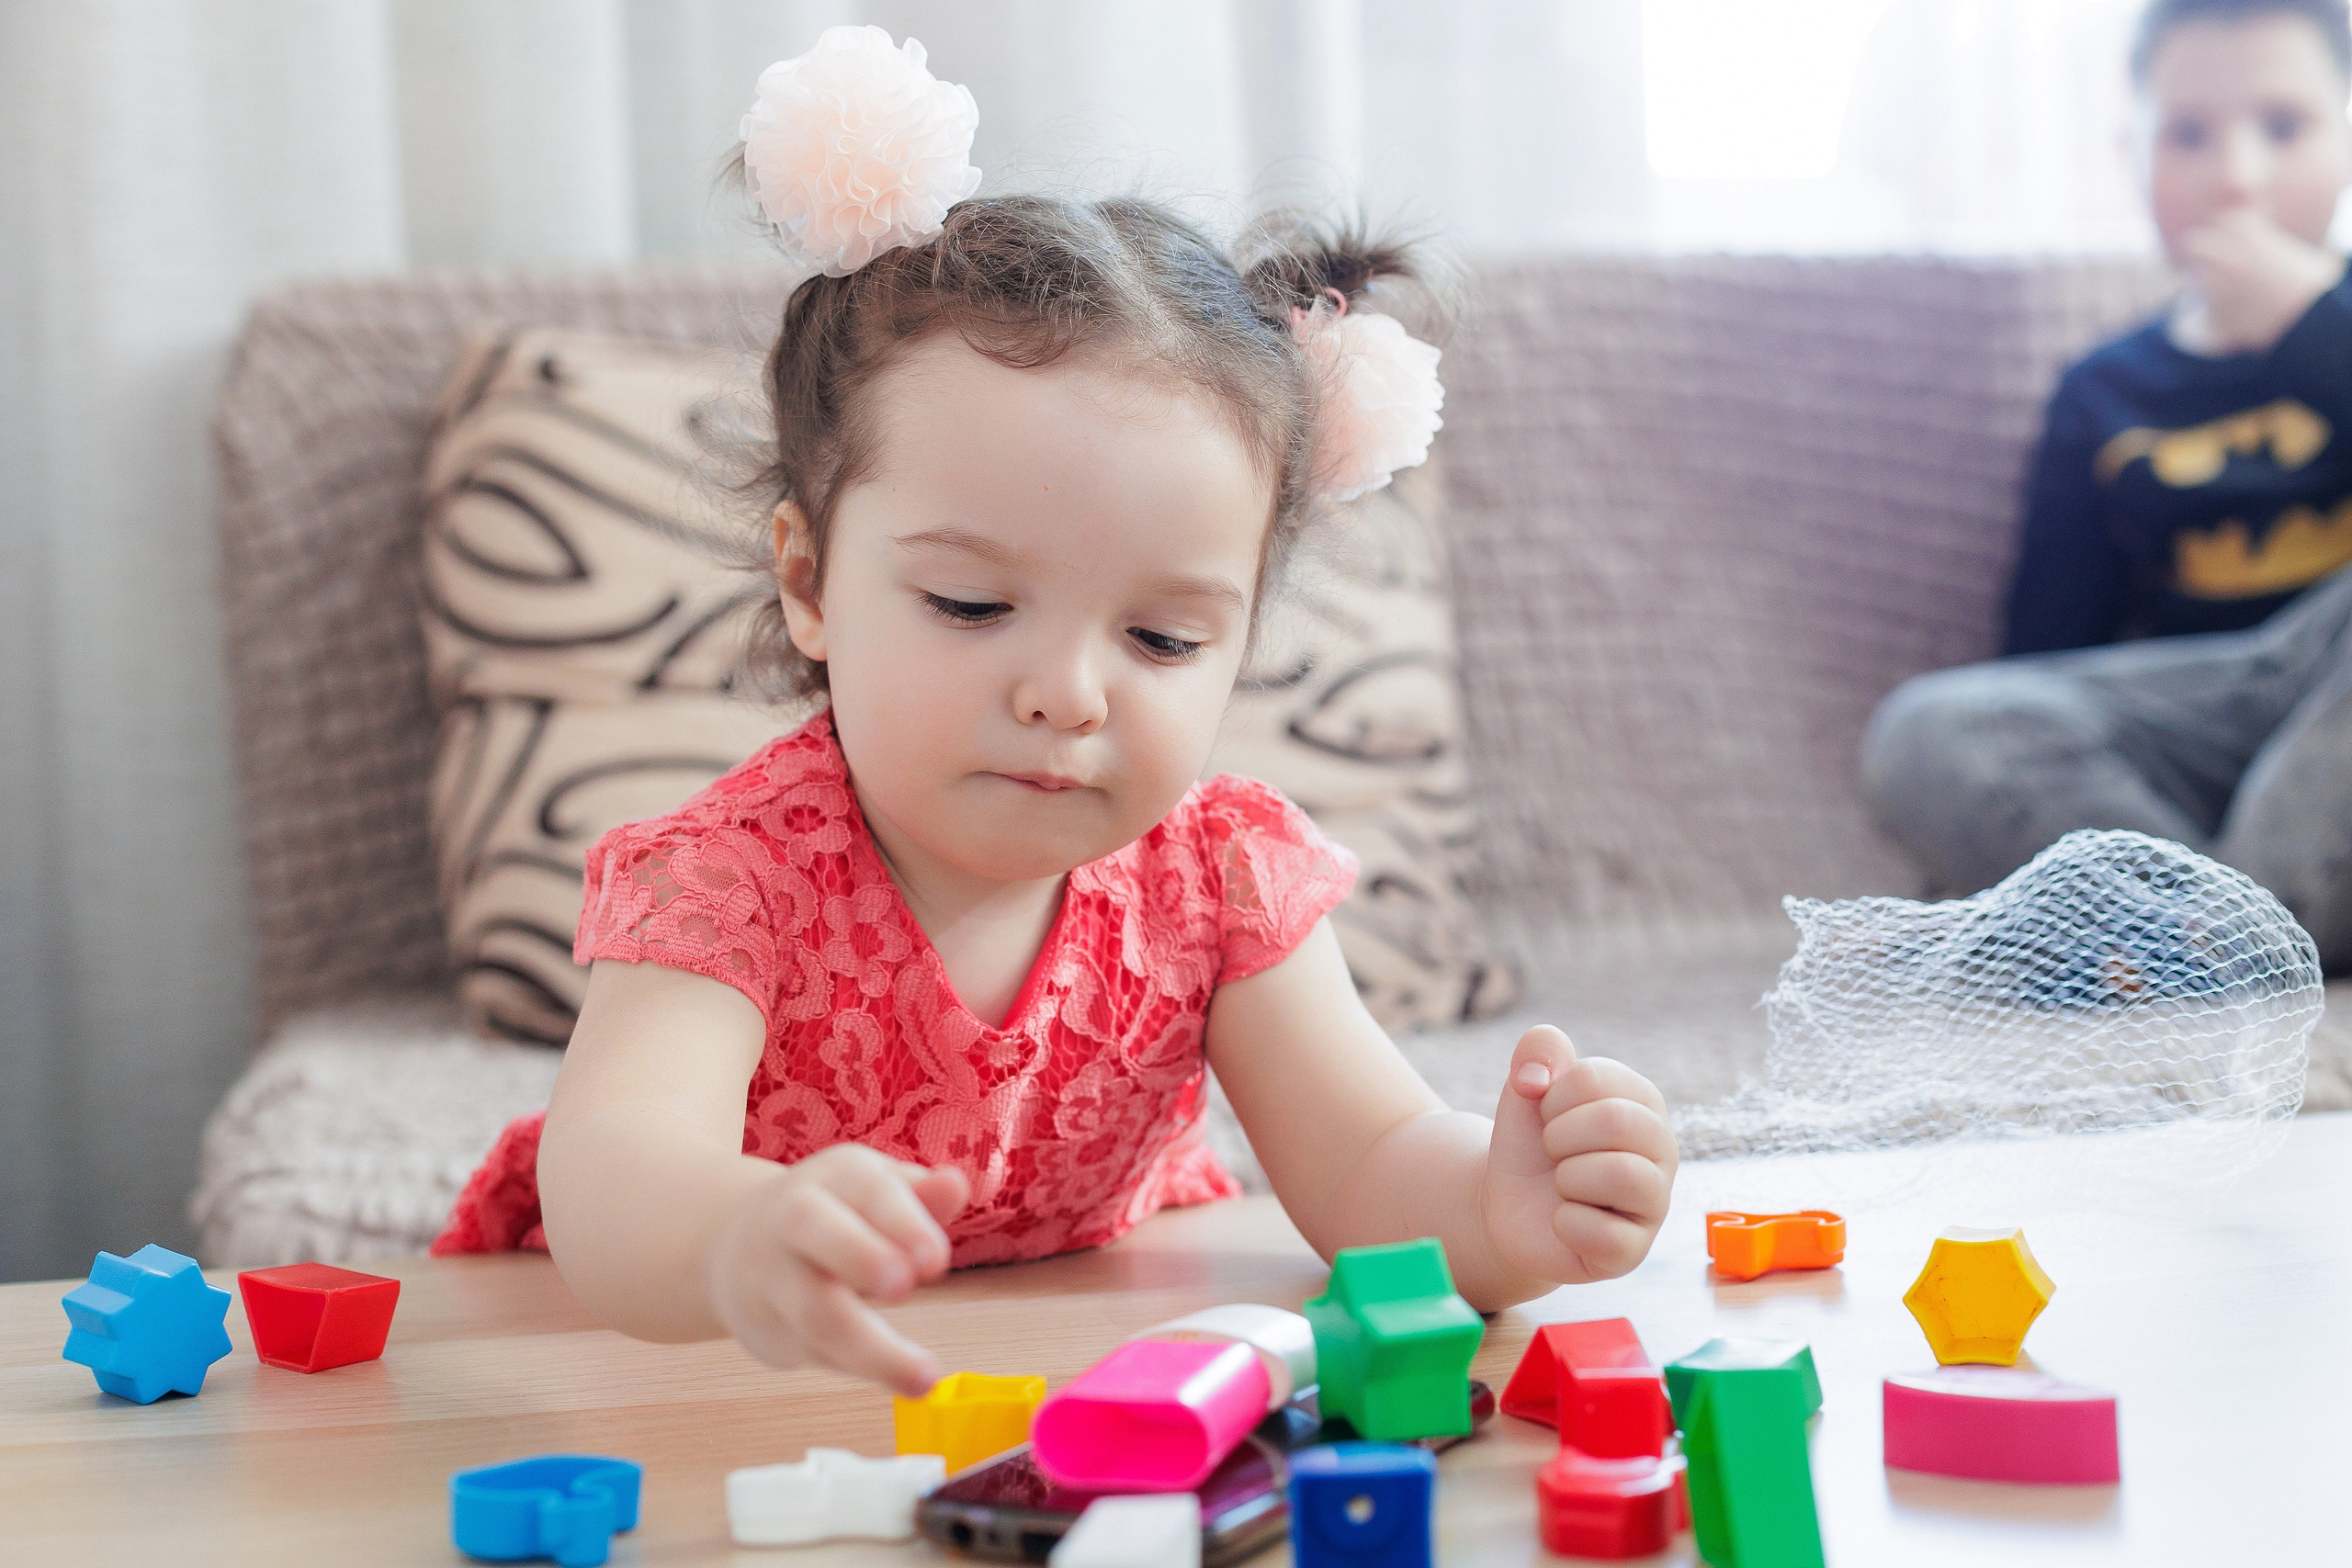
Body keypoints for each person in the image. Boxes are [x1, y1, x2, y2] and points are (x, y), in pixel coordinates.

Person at [431, 26, 1678, 1396]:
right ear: (810, 581)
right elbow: (615, 1174)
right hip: (711, 1378)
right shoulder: (728, 884)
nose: (1070, 692)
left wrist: (1504, 1208)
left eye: (1162, 635)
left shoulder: (1215, 878)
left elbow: (1371, 1160)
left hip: (1065, 1379)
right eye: (971, 606)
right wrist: (735, 1235)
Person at [1864, 0, 2352, 971]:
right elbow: (2042, 665)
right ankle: (2216, 935)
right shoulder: (2103, 392)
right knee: (1929, 731)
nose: (2236, 176)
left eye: (2284, 128)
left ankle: (2184, 944)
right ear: (2130, 155)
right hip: (2186, 743)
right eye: (2188, 135)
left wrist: (2310, 322)